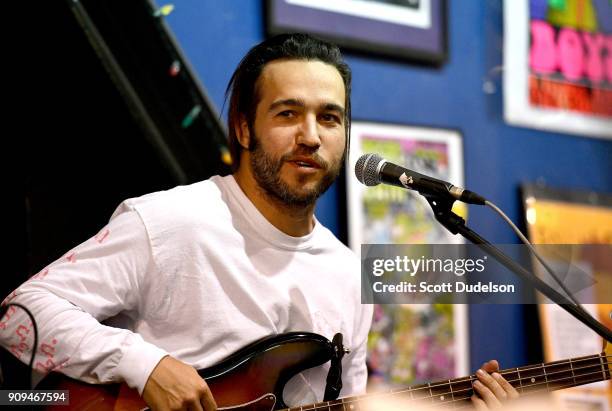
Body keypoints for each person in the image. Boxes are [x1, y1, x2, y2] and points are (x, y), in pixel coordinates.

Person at [1, 33, 517, 411]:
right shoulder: (170, 223)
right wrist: (144, 363)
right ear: (245, 128)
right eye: (288, 114)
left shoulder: (345, 274)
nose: (311, 136)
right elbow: (21, 316)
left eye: (330, 118)